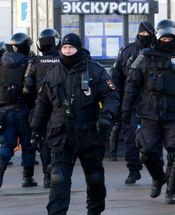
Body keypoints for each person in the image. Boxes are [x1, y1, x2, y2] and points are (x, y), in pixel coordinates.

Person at [30, 33, 119, 214]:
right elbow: (42, 105)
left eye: (71, 47)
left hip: (90, 135)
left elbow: (111, 97)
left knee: (95, 180)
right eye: (64, 47)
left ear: (78, 48)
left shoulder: (95, 71)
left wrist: (107, 116)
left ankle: (94, 211)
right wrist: (35, 130)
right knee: (58, 180)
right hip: (61, 137)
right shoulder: (52, 73)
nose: (68, 51)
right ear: (60, 48)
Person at [121, 19, 175, 204]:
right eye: (163, 38)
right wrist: (125, 110)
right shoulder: (144, 56)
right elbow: (132, 84)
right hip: (149, 114)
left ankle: (170, 192)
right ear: (157, 37)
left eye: (170, 38)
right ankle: (158, 178)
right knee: (147, 152)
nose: (167, 41)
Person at [111, 21, 155, 184]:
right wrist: (117, 99)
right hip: (131, 101)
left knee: (152, 139)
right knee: (130, 137)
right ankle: (133, 169)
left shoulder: (157, 51)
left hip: (152, 102)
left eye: (147, 34)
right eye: (142, 34)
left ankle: (155, 169)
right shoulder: (127, 51)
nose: (144, 37)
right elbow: (116, 76)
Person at [23, 28, 61, 188]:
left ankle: (47, 175)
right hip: (60, 109)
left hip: (41, 109)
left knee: (44, 142)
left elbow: (27, 89)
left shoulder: (34, 64)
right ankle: (58, 172)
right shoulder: (63, 61)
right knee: (61, 141)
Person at [0, 33, 37, 189]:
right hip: (23, 110)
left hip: (4, 111)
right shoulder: (28, 63)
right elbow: (31, 88)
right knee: (27, 144)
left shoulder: (1, 63)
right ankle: (27, 178)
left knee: (7, 144)